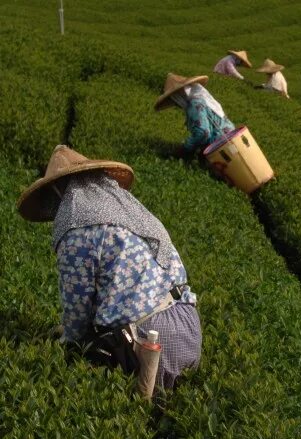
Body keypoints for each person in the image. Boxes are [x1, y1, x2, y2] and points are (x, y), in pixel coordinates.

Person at [16, 145, 201, 390]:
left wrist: (65, 345)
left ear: (61, 189)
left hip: (146, 343)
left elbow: (77, 316)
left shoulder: (77, 229)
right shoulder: (134, 214)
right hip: (188, 330)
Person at [154, 73, 235, 157]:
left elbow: (203, 132)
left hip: (220, 148)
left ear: (180, 95)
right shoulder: (203, 99)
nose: (176, 104)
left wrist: (184, 149)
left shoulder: (195, 103)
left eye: (174, 99)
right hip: (231, 140)